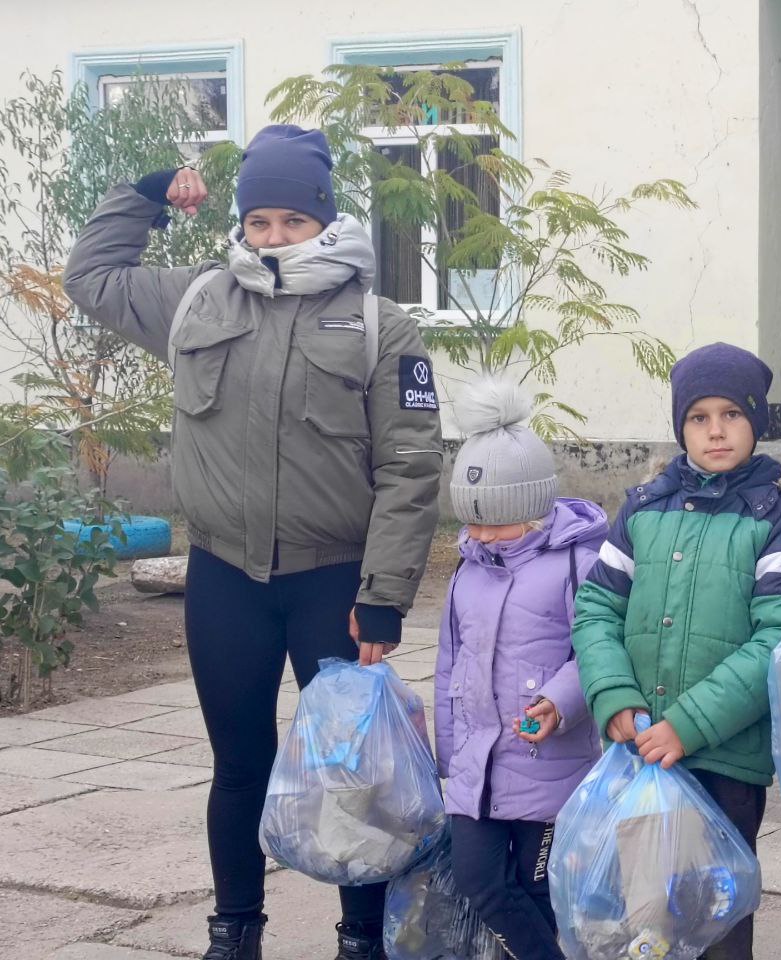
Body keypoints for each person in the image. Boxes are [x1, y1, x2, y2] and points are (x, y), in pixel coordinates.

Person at [63, 125, 444, 960]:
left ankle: (360, 940)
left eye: (292, 223)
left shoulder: (380, 325)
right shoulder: (199, 299)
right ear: (242, 225)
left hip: (334, 587)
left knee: (355, 775)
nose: (274, 239)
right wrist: (147, 192)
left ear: (324, 221)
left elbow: (412, 468)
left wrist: (383, 597)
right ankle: (233, 935)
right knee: (238, 767)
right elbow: (90, 276)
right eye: (259, 222)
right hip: (225, 578)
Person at [572, 342, 781, 959]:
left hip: (725, 760)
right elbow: (596, 608)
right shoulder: (643, 507)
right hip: (642, 753)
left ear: (756, 422)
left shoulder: (779, 516)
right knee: (646, 918)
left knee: (718, 919)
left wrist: (688, 723)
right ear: (681, 426)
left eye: (732, 415)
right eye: (699, 417)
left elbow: (780, 637)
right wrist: (613, 697)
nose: (715, 431)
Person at [432, 377, 607, 960]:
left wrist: (561, 701)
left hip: (549, 766)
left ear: (532, 509)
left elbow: (598, 648)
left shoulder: (578, 563)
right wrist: (449, 753)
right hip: (475, 769)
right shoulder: (469, 568)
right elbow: (449, 664)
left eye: (494, 523)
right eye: (471, 523)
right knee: (481, 881)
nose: (479, 536)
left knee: (539, 887)